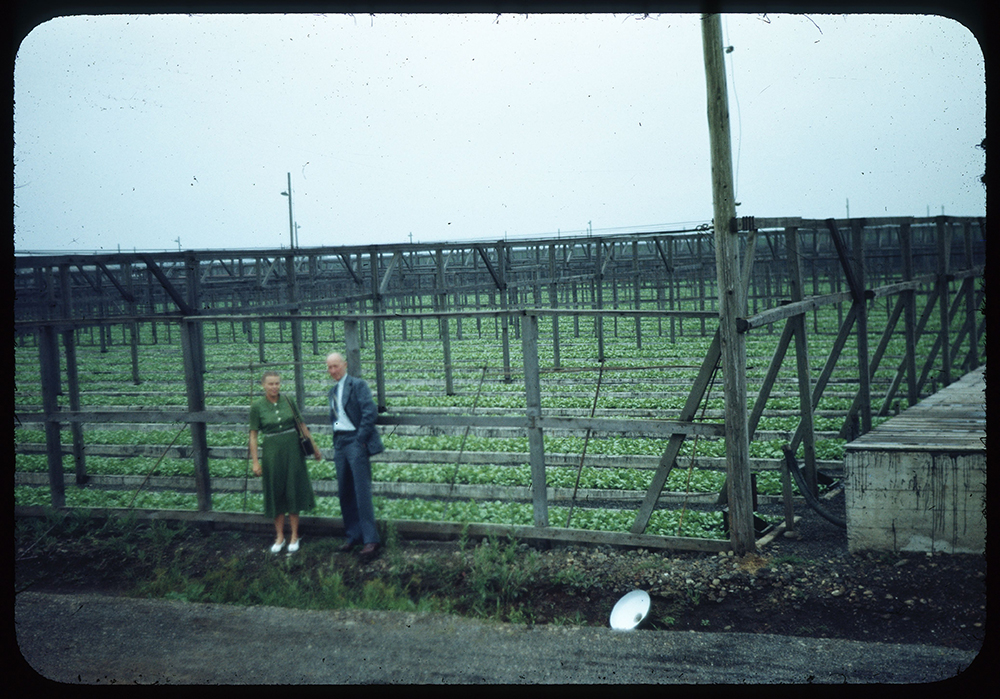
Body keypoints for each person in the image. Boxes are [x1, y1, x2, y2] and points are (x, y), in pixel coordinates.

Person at [249, 370, 320, 554]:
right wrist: (255, 462)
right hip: (272, 453)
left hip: (293, 450)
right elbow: (253, 436)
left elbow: (301, 425)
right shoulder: (257, 406)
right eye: (270, 384)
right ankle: (279, 536)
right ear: (263, 385)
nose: (274, 387)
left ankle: (295, 535)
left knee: (292, 489)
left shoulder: (289, 400)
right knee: (276, 491)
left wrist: (314, 447)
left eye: (277, 383)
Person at [326, 352, 384, 558]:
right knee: (345, 490)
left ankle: (370, 540)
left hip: (355, 441)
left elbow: (370, 412)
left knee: (361, 490)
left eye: (336, 366)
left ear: (345, 365)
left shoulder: (357, 385)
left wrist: (360, 440)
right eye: (330, 367)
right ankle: (353, 536)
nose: (333, 370)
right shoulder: (332, 391)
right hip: (340, 443)